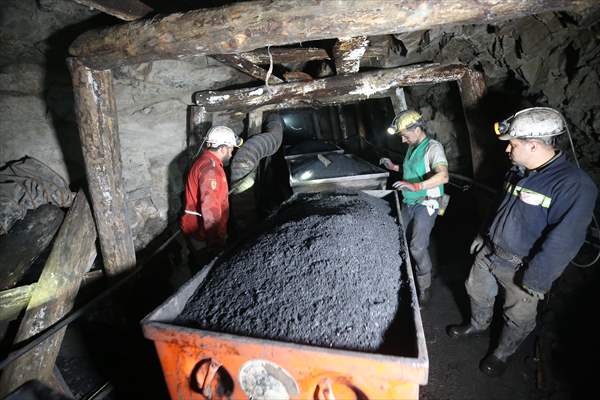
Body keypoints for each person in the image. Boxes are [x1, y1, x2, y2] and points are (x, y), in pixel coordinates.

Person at [447, 107, 597, 377]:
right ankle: (478, 325)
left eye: (513, 145)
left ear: (532, 145)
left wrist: (537, 279)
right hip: (491, 252)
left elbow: (566, 238)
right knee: (476, 290)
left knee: (518, 317)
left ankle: (502, 354)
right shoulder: (518, 170)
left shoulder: (573, 185)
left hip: (521, 267)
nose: (508, 151)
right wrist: (483, 235)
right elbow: (498, 208)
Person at [380, 110, 449, 307]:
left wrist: (416, 187)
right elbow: (410, 169)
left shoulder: (433, 148)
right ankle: (405, 274)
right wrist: (393, 167)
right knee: (400, 237)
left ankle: (424, 286)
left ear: (417, 129)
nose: (403, 140)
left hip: (426, 202)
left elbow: (443, 176)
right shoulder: (413, 147)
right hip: (409, 201)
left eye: (405, 135)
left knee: (417, 247)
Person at [180, 125, 243, 259]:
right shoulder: (211, 170)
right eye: (231, 149)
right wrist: (217, 244)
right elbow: (210, 211)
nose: (231, 154)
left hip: (199, 231)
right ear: (222, 148)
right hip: (203, 236)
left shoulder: (204, 161)